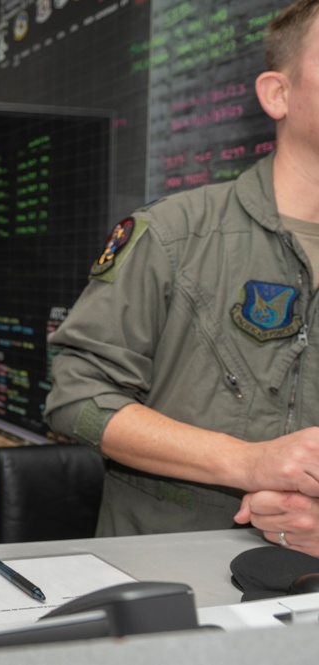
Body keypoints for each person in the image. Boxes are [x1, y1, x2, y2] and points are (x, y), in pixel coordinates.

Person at [46, 0, 319, 556]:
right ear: (277, 94)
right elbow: (77, 397)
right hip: (172, 575)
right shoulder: (174, 234)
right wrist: (248, 461)